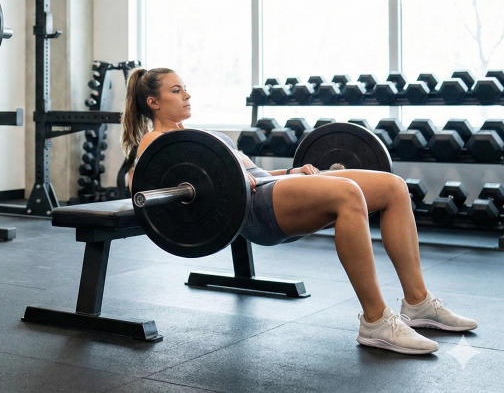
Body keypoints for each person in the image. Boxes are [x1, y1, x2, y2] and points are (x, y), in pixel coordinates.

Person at [121, 67, 477, 356]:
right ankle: (376, 321)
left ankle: (418, 303)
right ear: (153, 102)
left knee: (392, 187)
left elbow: (252, 170)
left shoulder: (199, 135)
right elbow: (148, 182)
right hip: (252, 209)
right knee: (348, 193)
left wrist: (292, 172)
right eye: (176, 90)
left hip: (268, 187)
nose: (187, 95)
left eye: (185, 88)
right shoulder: (157, 142)